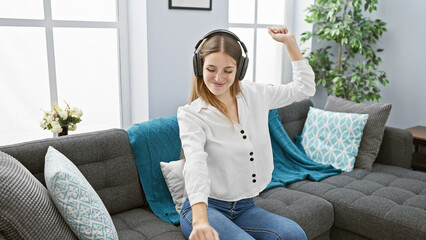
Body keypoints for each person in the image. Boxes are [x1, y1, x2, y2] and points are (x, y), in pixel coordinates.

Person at [177, 25, 315, 240]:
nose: (219, 77)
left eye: (228, 70)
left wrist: (290, 44)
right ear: (199, 67)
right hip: (207, 208)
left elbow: (304, 88)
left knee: (294, 234)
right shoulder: (191, 115)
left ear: (239, 70)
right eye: (211, 69)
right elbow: (195, 165)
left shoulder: (256, 94)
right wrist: (201, 219)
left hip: (245, 206)